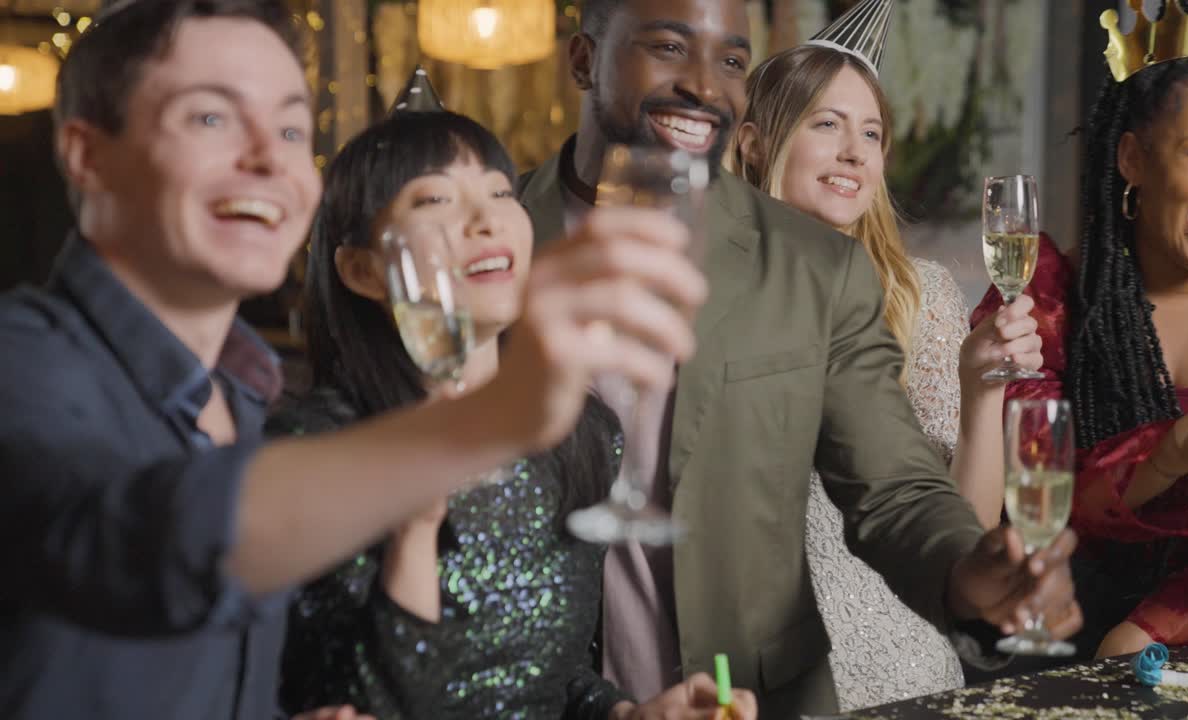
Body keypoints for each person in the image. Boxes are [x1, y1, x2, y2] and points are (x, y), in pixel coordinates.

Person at [0, 1, 707, 718]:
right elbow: (128, 545)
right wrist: (491, 417)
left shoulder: (241, 398)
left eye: (290, 128)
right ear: (87, 155)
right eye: (210, 118)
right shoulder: (22, 362)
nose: (269, 158)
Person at [519, 0, 1083, 716]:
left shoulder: (816, 266)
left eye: (730, 60)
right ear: (582, 61)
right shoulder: (495, 239)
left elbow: (897, 490)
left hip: (757, 699)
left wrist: (973, 574)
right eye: (668, 47)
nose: (703, 84)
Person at [273, 94, 757, 720]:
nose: (487, 220)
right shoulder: (313, 449)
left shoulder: (581, 433)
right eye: (435, 200)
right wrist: (414, 522)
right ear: (363, 270)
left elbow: (557, 678)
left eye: (501, 193)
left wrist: (631, 715)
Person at [725, 0, 1042, 708]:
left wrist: (983, 389)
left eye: (872, 133)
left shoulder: (922, 295)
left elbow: (967, 524)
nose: (855, 152)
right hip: (755, 663)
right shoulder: (710, 290)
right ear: (753, 142)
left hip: (907, 654)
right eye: (827, 124)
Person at [972, 0, 1188, 659]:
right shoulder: (1044, 296)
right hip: (1056, 639)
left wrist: (1159, 624)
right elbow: (1028, 500)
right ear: (1134, 158)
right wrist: (1173, 452)